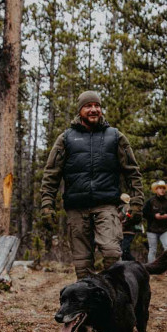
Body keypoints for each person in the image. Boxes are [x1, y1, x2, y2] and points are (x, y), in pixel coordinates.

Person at [40, 91, 144, 279]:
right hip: (76, 208)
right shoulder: (65, 139)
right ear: (80, 110)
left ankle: (115, 302)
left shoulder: (115, 136)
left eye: (97, 106)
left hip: (107, 205)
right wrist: (47, 205)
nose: (94, 109)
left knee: (112, 253)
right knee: (82, 264)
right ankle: (87, 304)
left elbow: (132, 171)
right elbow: (51, 175)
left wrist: (137, 202)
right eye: (88, 106)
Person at [143, 180, 167, 263]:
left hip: (164, 230)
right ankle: (151, 269)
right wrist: (154, 216)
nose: (162, 190)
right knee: (152, 250)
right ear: (156, 190)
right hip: (152, 230)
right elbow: (144, 214)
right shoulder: (150, 202)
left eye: (163, 188)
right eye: (160, 188)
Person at [119, 193, 142, 261]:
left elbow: (129, 219)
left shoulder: (127, 208)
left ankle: (134, 263)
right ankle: (128, 265)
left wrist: (124, 222)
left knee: (124, 250)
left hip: (128, 231)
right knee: (124, 250)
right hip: (123, 231)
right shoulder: (122, 207)